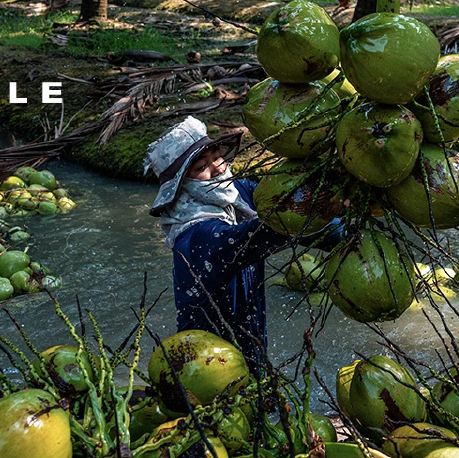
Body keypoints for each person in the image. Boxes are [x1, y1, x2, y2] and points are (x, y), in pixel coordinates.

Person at [145, 116, 342, 367]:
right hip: (206, 367)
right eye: (201, 167)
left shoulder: (239, 194)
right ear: (181, 185)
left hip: (251, 352)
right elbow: (272, 230)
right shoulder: (195, 237)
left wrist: (345, 228)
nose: (218, 169)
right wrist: (321, 207)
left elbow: (293, 213)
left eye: (217, 157)